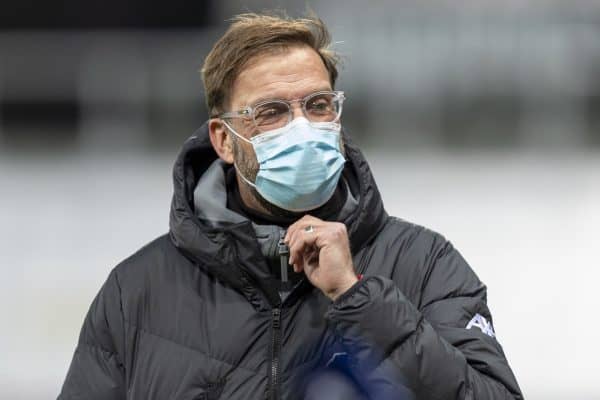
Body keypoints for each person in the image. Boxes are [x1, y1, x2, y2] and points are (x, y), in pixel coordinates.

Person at [58, 13, 523, 400]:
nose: (302, 126)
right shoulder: (136, 292)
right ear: (224, 139)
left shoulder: (424, 264)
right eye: (272, 112)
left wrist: (357, 296)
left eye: (318, 105)